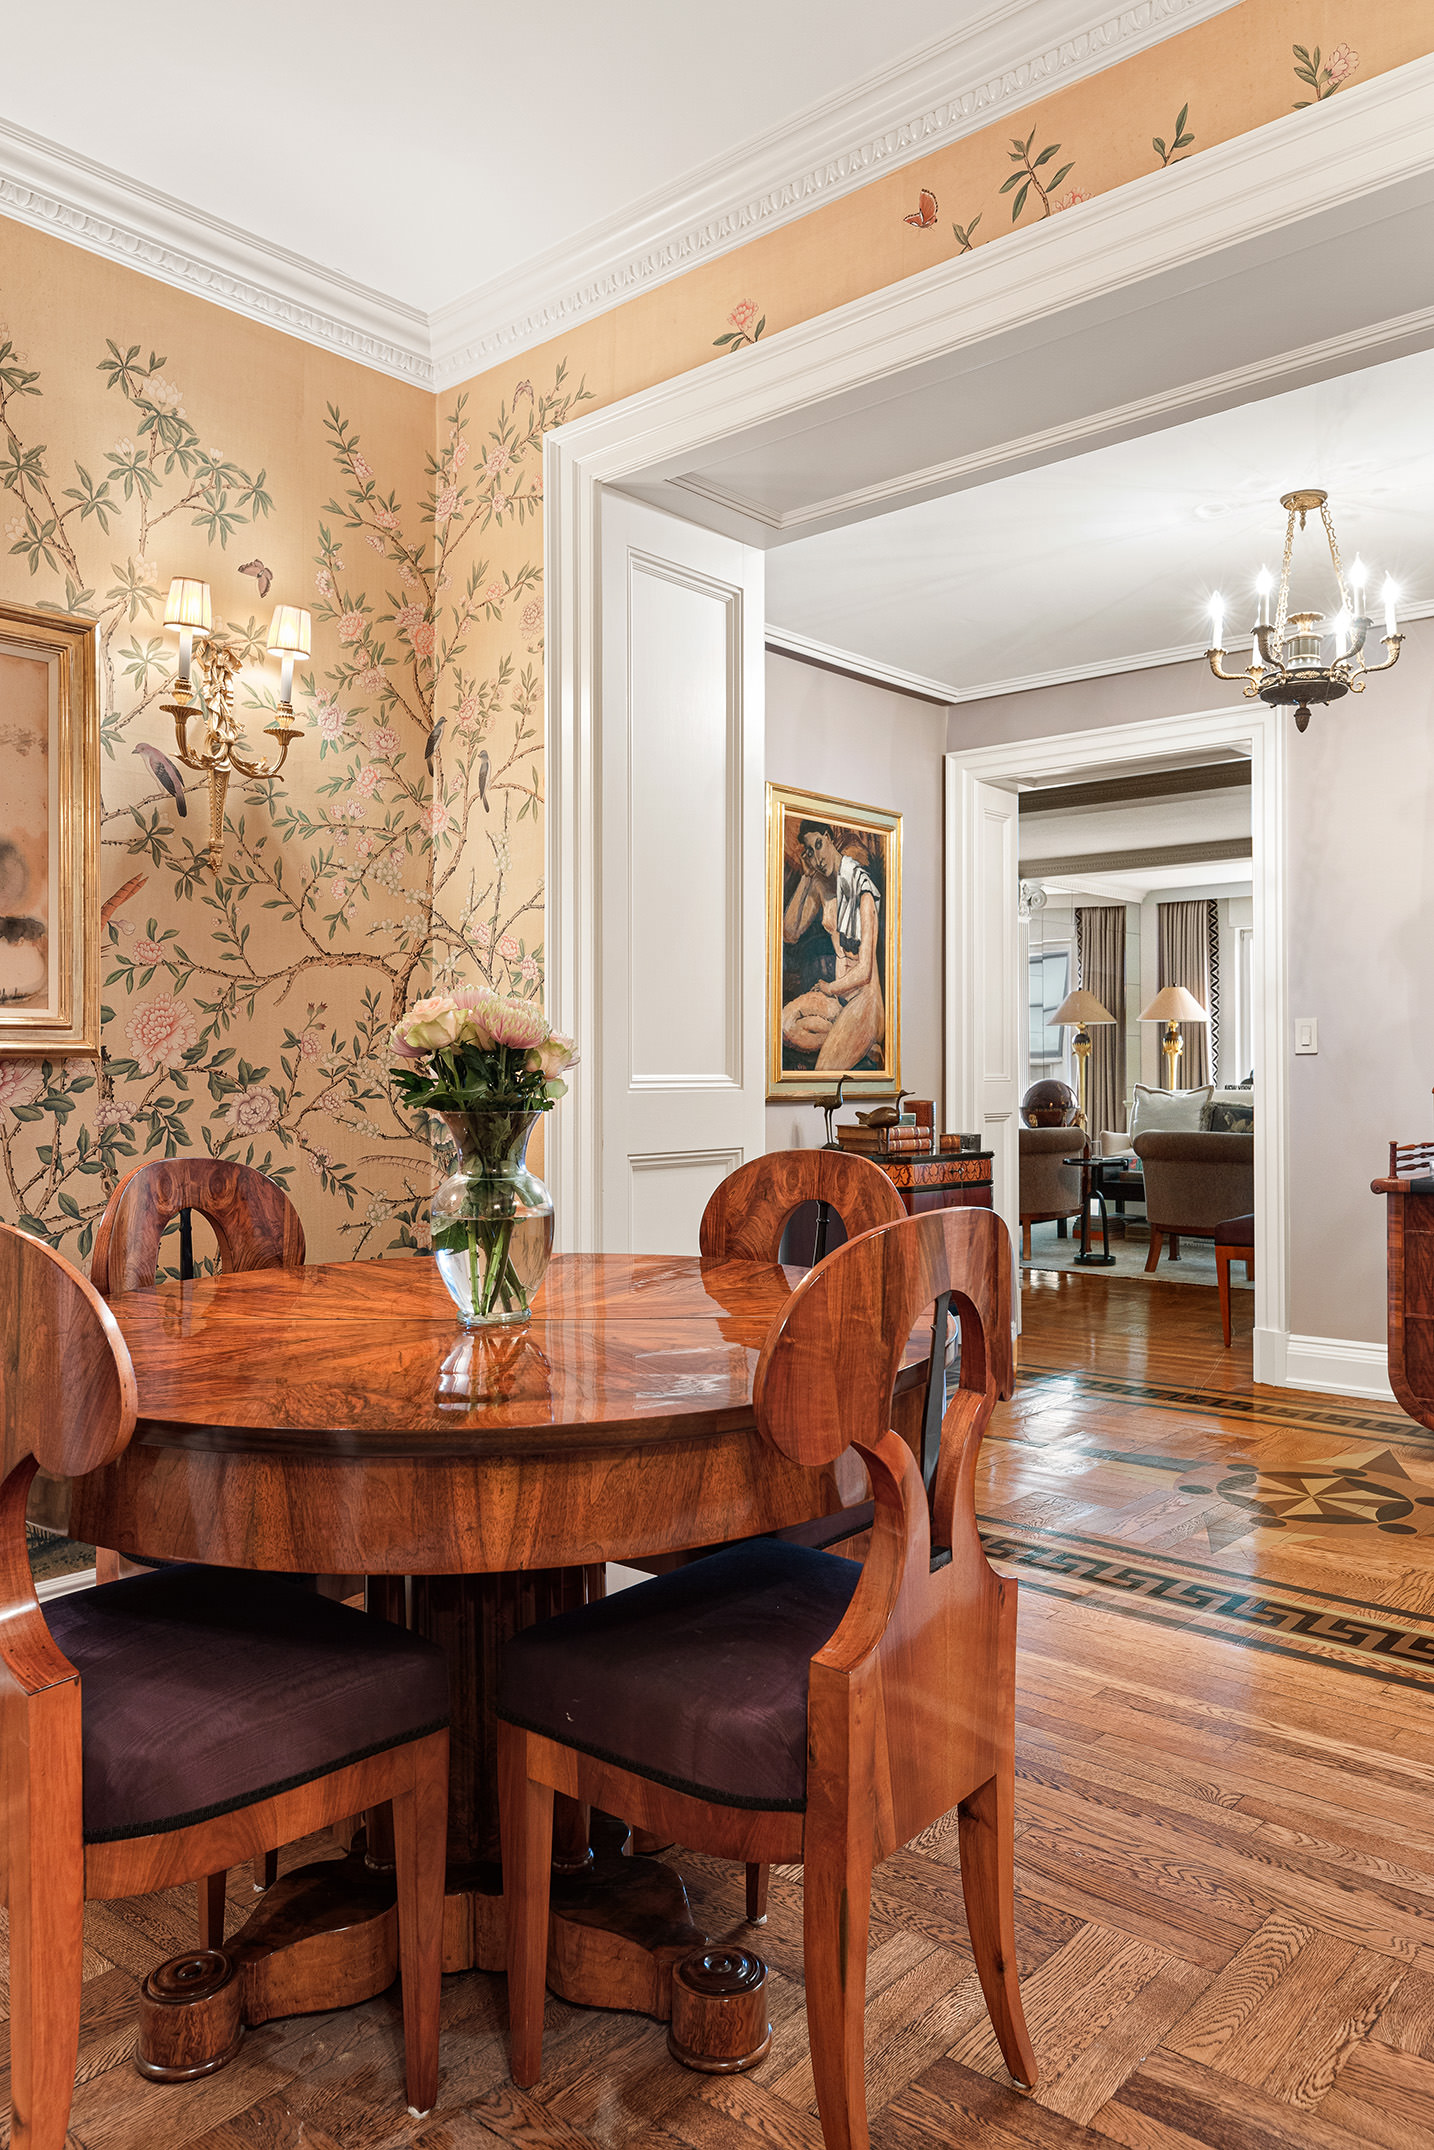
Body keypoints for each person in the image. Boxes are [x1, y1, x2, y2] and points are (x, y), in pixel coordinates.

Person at [779, 819, 884, 1071]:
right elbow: (789, 932)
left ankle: (856, 1039)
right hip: (838, 1001)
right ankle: (862, 1048)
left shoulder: (862, 890)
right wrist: (806, 877)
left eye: (818, 845)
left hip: (864, 1002)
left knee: (823, 1071)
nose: (817, 858)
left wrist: (829, 987)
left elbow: (865, 971)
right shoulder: (820, 884)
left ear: (828, 837)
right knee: (784, 1025)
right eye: (809, 852)